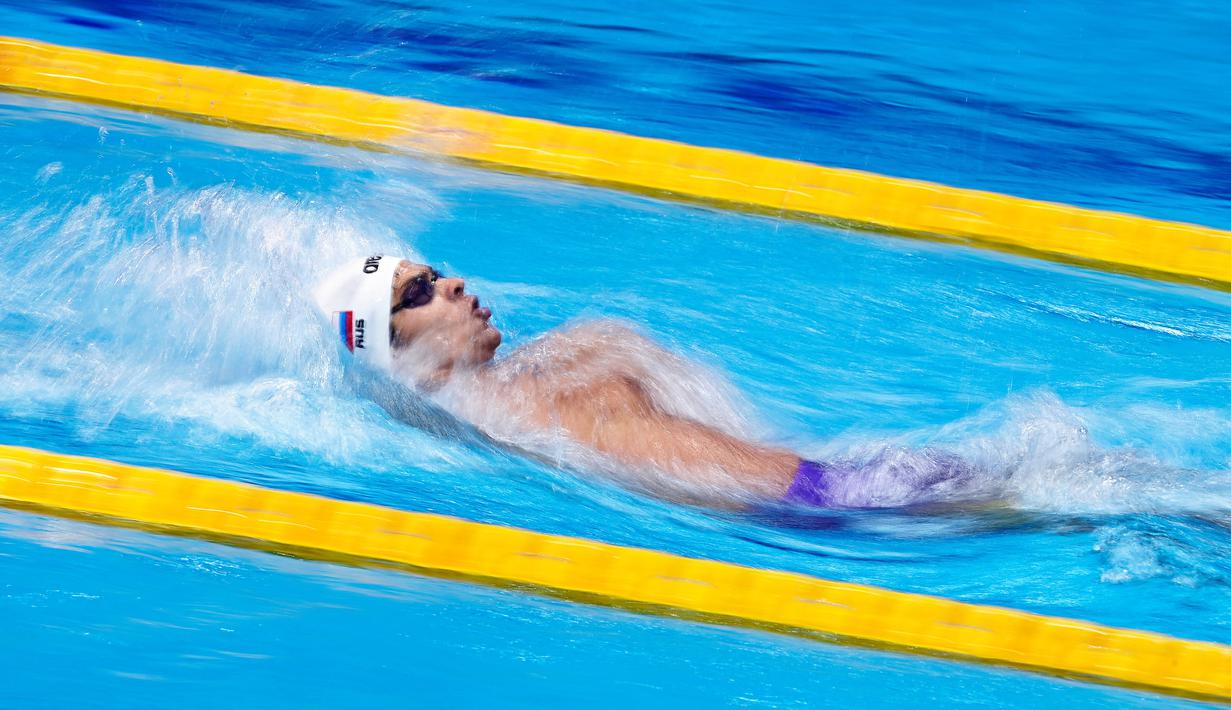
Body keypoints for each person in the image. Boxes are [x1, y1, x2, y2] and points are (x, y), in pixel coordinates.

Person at [313, 255, 971, 508]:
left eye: (436, 271)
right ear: (404, 355)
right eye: (421, 290)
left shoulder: (560, 355)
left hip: (845, 481)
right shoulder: (491, 411)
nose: (453, 282)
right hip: (835, 507)